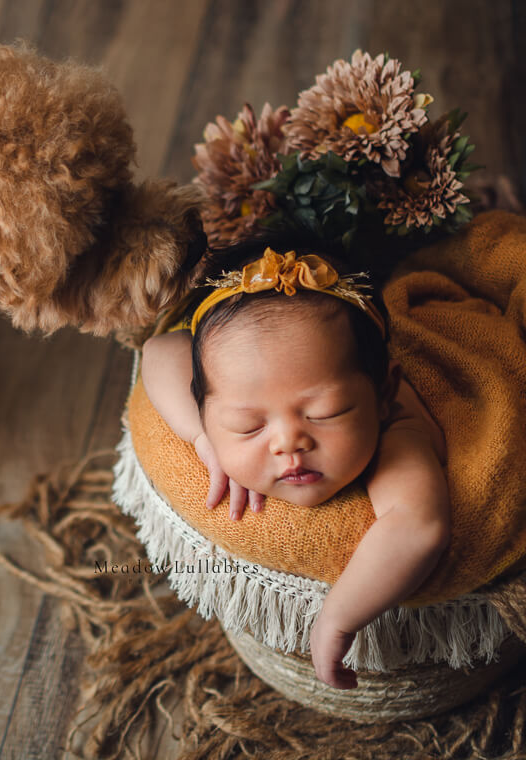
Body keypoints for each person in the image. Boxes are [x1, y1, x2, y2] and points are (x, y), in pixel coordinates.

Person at [140, 237, 451, 690]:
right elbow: (158, 351)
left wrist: (338, 619)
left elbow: (419, 526)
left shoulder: (397, 434)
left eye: (324, 414)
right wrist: (206, 438)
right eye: (248, 425)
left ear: (383, 395)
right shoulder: (216, 409)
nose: (288, 443)